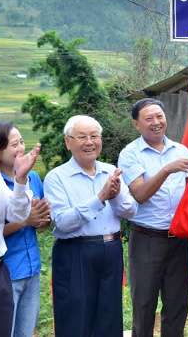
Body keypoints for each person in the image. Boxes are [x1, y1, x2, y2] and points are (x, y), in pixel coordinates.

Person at [45, 115, 137, 337]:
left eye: (94, 136)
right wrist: (100, 198)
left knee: (109, 316)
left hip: (111, 250)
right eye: (82, 137)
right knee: (75, 316)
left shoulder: (110, 171)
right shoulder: (57, 177)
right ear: (68, 142)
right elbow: (64, 222)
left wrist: (113, 196)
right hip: (75, 252)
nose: (89, 142)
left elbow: (131, 210)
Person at [117, 98, 188, 337]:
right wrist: (166, 170)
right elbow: (140, 194)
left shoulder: (181, 151)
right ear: (136, 124)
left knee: (178, 303)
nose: (156, 122)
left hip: (180, 239)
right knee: (144, 304)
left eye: (159, 116)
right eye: (148, 119)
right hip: (147, 239)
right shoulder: (130, 154)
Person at [0, 122, 50, 337]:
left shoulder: (32, 177)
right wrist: (26, 220)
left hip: (32, 267)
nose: (21, 148)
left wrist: (40, 220)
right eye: (14, 144)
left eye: (22, 141)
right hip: (6, 268)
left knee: (25, 332)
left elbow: (43, 223)